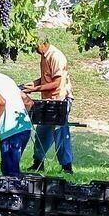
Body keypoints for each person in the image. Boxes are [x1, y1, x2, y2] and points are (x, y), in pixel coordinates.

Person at [22, 33, 73, 174]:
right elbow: (46, 77)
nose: (35, 50)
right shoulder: (44, 57)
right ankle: (38, 163)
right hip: (48, 100)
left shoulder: (56, 56)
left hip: (60, 99)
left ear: (44, 43)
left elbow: (57, 82)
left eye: (36, 46)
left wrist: (36, 89)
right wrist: (33, 83)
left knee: (60, 132)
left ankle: (67, 167)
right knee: (42, 131)